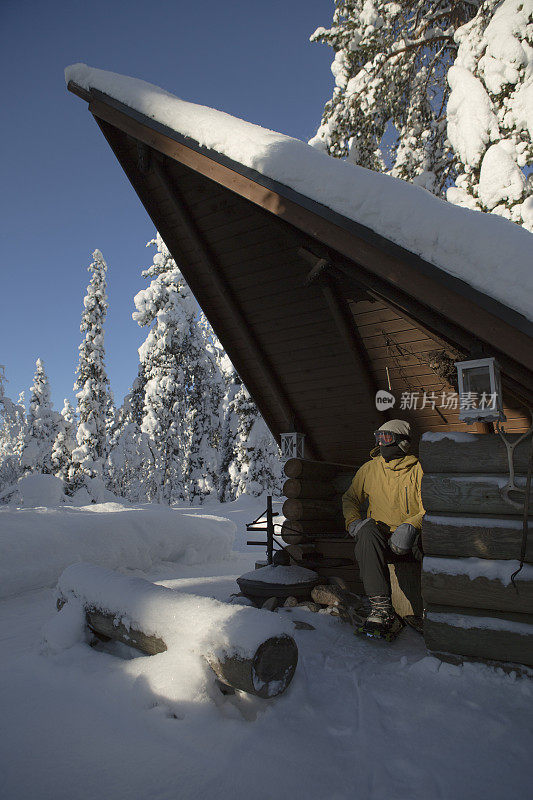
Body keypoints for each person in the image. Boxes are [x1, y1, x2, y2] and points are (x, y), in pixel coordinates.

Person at [342, 419, 425, 636]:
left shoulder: (418, 470)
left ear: (402, 442)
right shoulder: (370, 469)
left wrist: (411, 526)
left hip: (410, 539)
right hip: (380, 537)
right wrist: (353, 522)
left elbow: (429, 507)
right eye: (378, 438)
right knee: (366, 531)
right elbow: (350, 498)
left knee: (433, 542)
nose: (380, 444)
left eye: (386, 438)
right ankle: (380, 609)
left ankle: (429, 610)